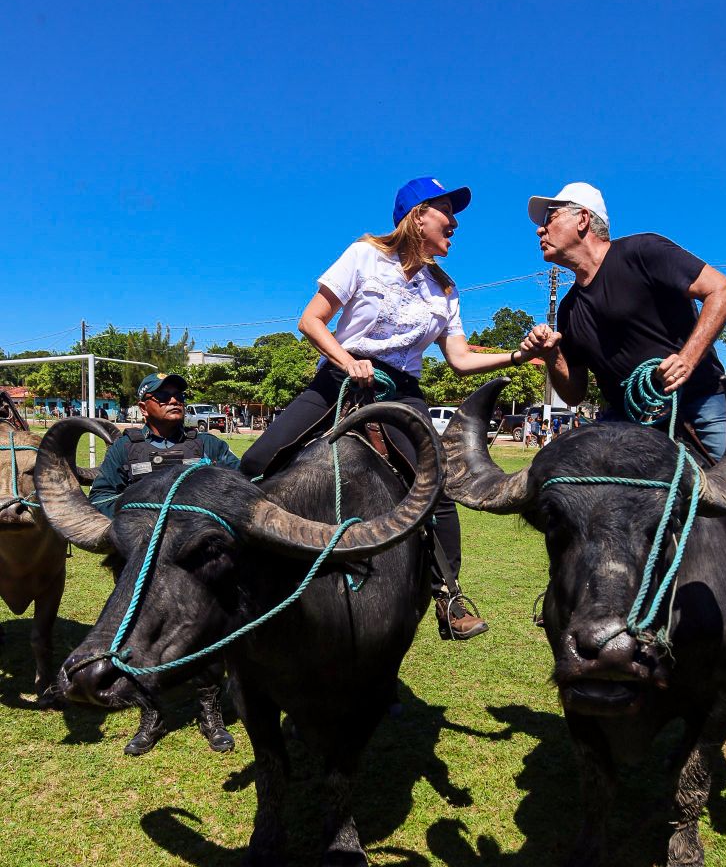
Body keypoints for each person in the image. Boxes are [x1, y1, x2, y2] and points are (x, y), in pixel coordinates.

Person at [240, 176, 539, 639]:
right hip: (340, 377)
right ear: (417, 216)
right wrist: (347, 361)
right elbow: (311, 321)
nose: (455, 223)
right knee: (257, 461)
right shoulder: (364, 256)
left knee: (437, 487)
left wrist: (517, 356)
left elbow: (459, 360)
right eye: (446, 211)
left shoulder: (445, 290)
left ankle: (448, 596)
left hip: (401, 392)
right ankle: (227, 569)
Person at [521, 181, 726, 651]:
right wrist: (552, 356)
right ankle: (580, 597)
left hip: (698, 400)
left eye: (549, 218)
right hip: (625, 416)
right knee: (579, 494)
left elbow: (724, 291)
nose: (540, 230)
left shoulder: (642, 252)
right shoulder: (569, 308)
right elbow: (574, 392)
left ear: (583, 219)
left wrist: (688, 358)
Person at [89, 372, 243, 753]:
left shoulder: (206, 444)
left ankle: (210, 712)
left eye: (178, 395)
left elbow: (242, 482)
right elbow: (101, 497)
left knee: (206, 634)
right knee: (139, 639)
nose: (175, 400)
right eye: (163, 396)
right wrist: (137, 522)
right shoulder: (126, 449)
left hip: (196, 567)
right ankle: (152, 715)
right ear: (144, 408)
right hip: (141, 565)